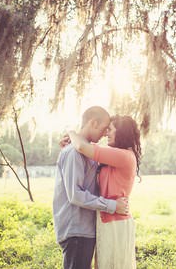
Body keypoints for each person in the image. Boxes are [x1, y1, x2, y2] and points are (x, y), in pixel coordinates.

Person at [52, 106, 129, 269]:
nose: (104, 134)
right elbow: (75, 195)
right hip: (76, 231)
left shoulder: (87, 153)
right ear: (93, 123)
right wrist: (113, 205)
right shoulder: (74, 152)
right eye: (103, 129)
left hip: (84, 230)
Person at [67, 114, 141, 269]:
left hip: (116, 222)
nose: (107, 133)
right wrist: (68, 144)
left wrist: (71, 133)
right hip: (106, 218)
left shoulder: (124, 156)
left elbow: (82, 146)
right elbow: (83, 152)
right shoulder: (115, 156)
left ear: (122, 132)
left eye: (111, 130)